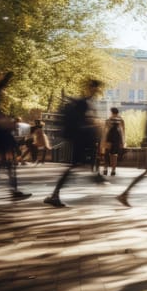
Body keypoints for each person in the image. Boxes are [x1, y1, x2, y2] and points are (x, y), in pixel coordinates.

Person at [44, 79, 105, 208]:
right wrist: (92, 126)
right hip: (80, 139)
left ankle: (55, 194)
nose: (96, 91)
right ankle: (55, 195)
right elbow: (85, 121)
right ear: (91, 88)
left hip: (79, 139)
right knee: (76, 165)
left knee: (78, 165)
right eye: (95, 88)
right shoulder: (83, 103)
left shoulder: (83, 102)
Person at [103, 107, 126, 176]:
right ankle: (113, 170)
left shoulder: (108, 119)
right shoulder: (121, 120)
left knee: (107, 154)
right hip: (117, 138)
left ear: (111, 112)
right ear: (117, 112)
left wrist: (103, 141)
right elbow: (123, 131)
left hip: (109, 137)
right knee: (114, 155)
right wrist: (123, 141)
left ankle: (105, 169)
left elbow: (105, 130)